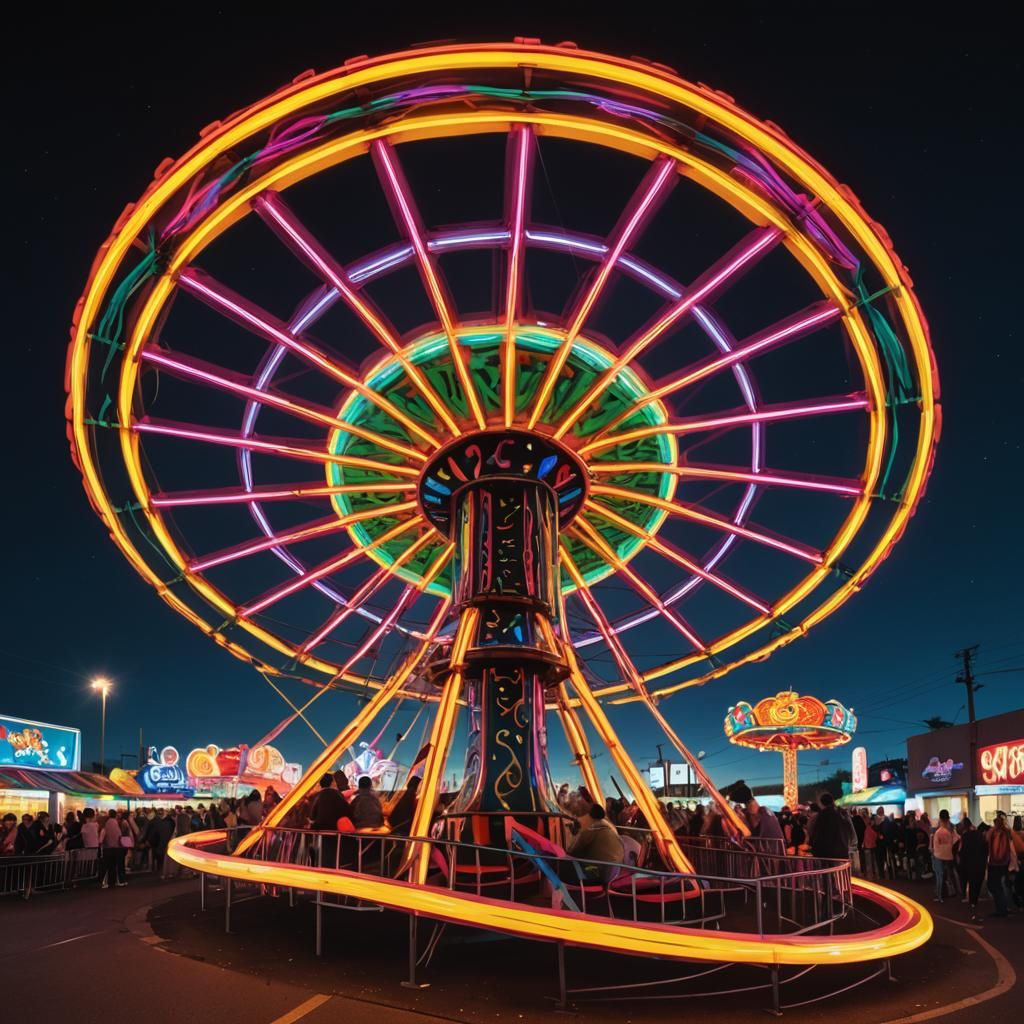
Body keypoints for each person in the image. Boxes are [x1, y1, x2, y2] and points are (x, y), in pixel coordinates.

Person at [565, 803, 625, 883]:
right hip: (612, 875)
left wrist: (575, 834)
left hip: (596, 873)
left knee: (560, 865)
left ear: (588, 816)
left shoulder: (591, 831)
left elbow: (571, 852)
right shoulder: (610, 829)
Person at [958, 818, 988, 920]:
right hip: (980, 865)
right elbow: (986, 850)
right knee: (977, 885)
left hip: (970, 865)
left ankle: (973, 906)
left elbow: (962, 852)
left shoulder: (965, 837)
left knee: (971, 886)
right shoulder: (980, 835)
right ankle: (974, 904)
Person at [985, 813, 1013, 917]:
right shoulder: (1006, 833)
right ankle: (1003, 908)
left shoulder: (998, 834)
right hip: (1003, 863)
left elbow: (996, 850)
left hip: (996, 863)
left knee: (994, 885)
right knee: (999, 886)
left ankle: (1002, 909)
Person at [807, 793, 849, 860]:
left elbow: (818, 833)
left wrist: (812, 846)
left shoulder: (823, 815)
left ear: (822, 803)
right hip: (842, 852)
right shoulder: (840, 814)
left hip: (828, 853)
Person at [929, 809, 956, 902]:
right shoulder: (952, 828)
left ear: (940, 818)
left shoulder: (937, 829)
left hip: (938, 855)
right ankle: (951, 892)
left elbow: (933, 844)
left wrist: (932, 851)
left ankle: (940, 896)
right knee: (949, 874)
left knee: (939, 875)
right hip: (949, 854)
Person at [100, 810, 126, 888]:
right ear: (115, 815)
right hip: (118, 847)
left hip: (107, 848)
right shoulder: (118, 823)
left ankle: (106, 883)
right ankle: (120, 881)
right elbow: (120, 835)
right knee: (119, 865)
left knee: (107, 866)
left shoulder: (106, 824)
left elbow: (102, 837)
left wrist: (101, 843)